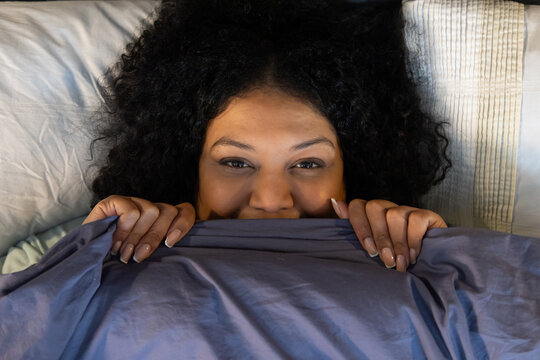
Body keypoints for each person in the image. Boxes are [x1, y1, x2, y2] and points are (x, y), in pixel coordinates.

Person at [85, 0, 451, 272]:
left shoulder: (416, 272)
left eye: (307, 163)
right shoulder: (114, 267)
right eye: (236, 162)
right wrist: (86, 257)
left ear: (351, 172)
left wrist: (443, 262)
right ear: (187, 167)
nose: (272, 201)